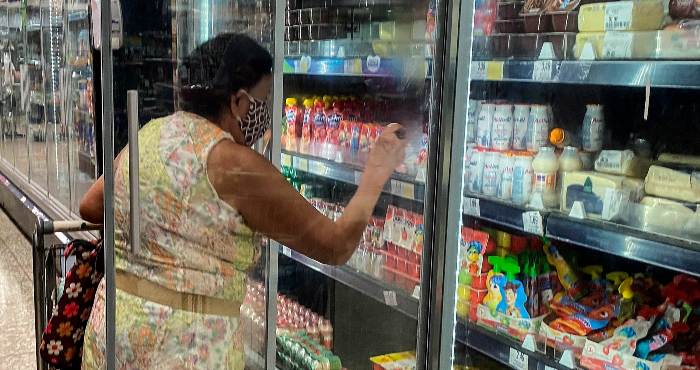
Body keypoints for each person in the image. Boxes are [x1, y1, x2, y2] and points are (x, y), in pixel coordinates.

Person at [79, 33, 407, 370]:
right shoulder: (234, 165)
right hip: (184, 347)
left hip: (115, 332)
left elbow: (90, 206)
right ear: (238, 103)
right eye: (264, 100)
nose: (267, 113)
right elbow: (335, 246)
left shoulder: (148, 135)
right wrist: (376, 172)